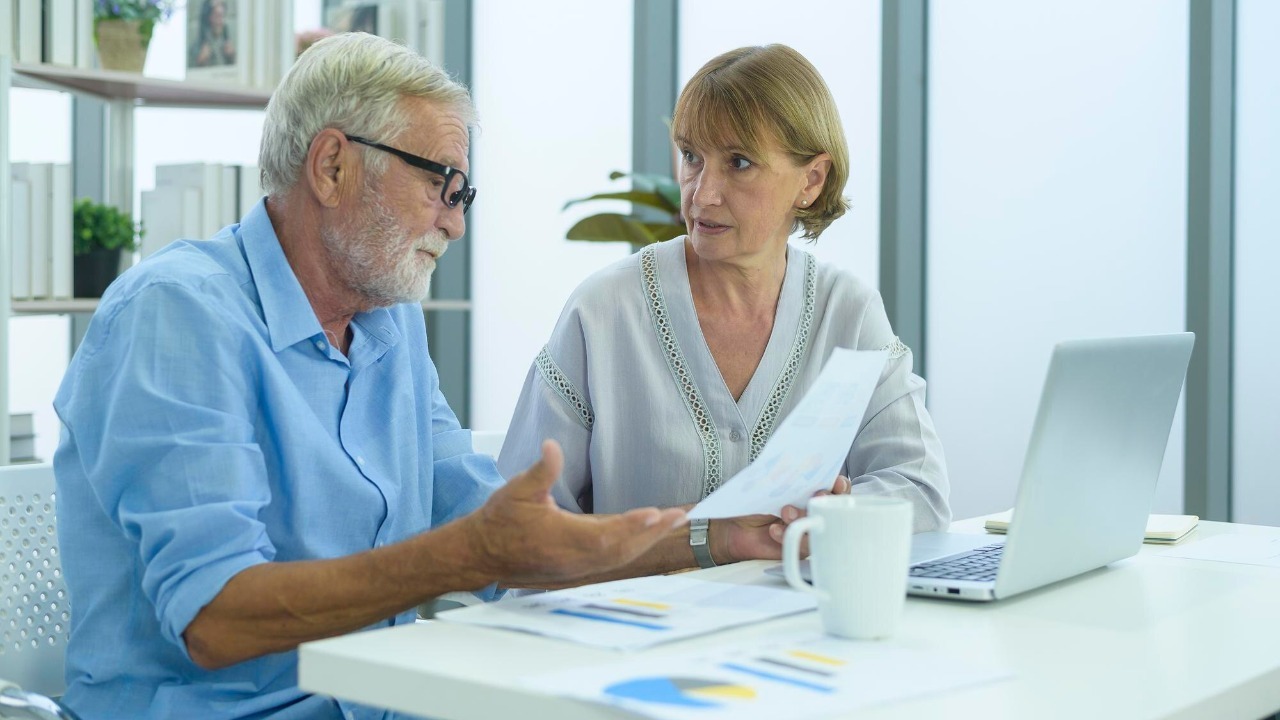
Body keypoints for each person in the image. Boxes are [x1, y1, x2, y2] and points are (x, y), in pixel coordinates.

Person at [52, 33, 688, 720]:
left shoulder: (390, 322)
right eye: (441, 184)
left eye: (464, 195)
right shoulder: (175, 315)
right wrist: (468, 556)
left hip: (384, 703)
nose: (456, 224)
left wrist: (709, 538)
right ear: (331, 166)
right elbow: (216, 616)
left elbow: (473, 508)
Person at [499, 44, 951, 563]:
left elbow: (921, 493)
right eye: (692, 157)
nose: (703, 193)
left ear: (812, 180)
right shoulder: (603, 311)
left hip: (795, 634)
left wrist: (827, 516)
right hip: (632, 635)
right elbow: (516, 529)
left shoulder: (847, 312)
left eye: (739, 163)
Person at [189, 0, 235, 68]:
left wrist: (231, 58)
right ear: (208, 18)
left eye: (222, 16)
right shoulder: (196, 48)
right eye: (217, 16)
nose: (221, 21)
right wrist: (199, 63)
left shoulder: (227, 45)